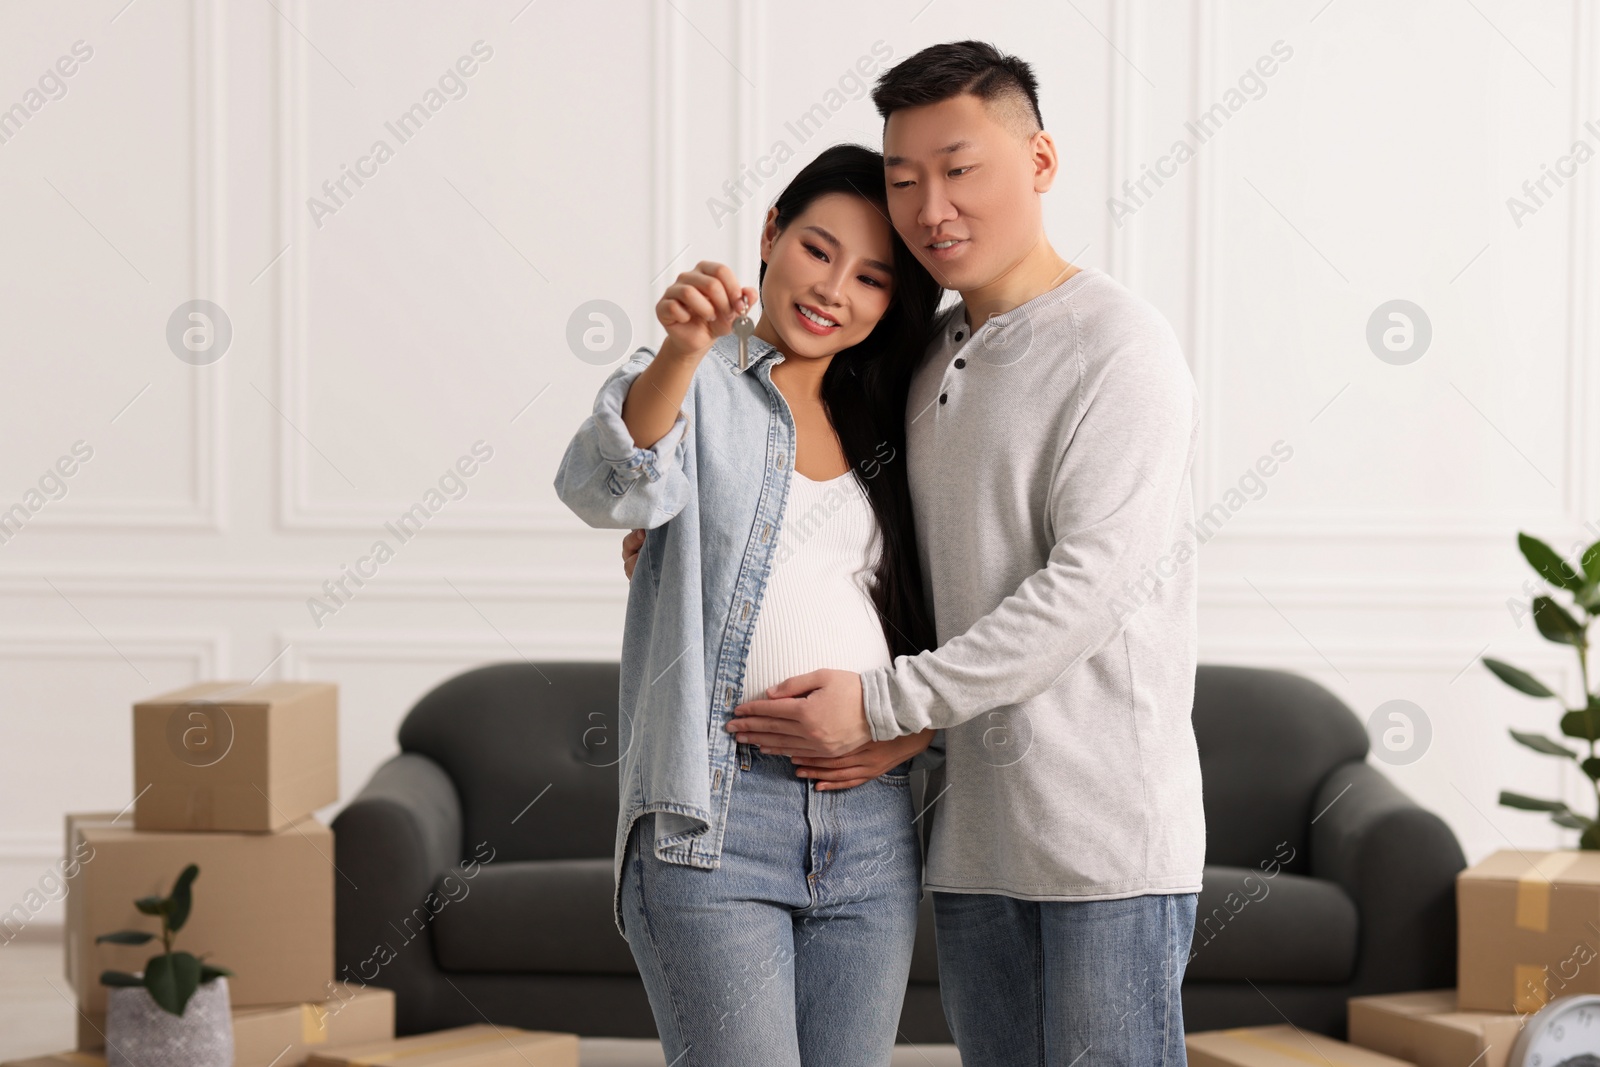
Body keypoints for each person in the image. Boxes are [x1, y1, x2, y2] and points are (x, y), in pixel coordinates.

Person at [628, 41, 1206, 1067]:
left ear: (1039, 160)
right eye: (905, 180)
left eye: (960, 166)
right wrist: (688, 545)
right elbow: (891, 570)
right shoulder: (919, 358)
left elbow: (1086, 589)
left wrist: (889, 705)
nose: (931, 207)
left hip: (1104, 847)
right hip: (966, 839)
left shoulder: (1121, 345)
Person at [554, 143, 946, 1067]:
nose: (833, 289)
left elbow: (937, 610)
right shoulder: (696, 379)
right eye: (817, 249)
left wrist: (914, 731)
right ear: (770, 234)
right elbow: (606, 483)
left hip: (873, 821)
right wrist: (686, 350)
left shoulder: (899, 413)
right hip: (714, 819)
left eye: (871, 276)